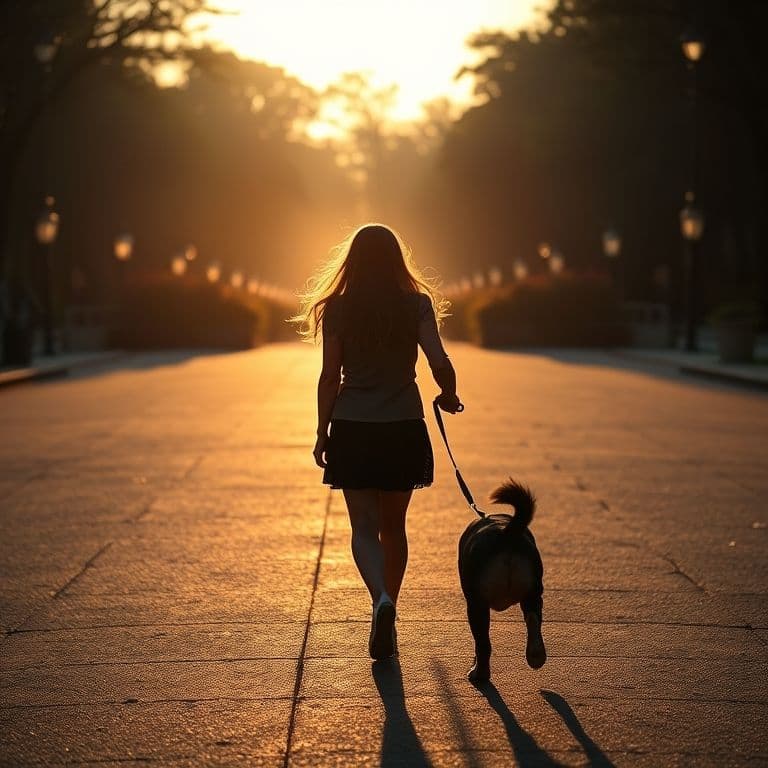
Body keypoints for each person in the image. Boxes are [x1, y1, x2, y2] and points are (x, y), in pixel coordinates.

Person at [295, 223, 461, 660]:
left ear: (352, 261)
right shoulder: (417, 305)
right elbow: (438, 360)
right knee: (395, 527)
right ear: (395, 260)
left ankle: (379, 602)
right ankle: (392, 601)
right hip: (402, 423)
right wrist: (449, 392)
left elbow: (330, 376)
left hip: (354, 426)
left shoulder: (338, 310)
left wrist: (321, 431)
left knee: (363, 528)